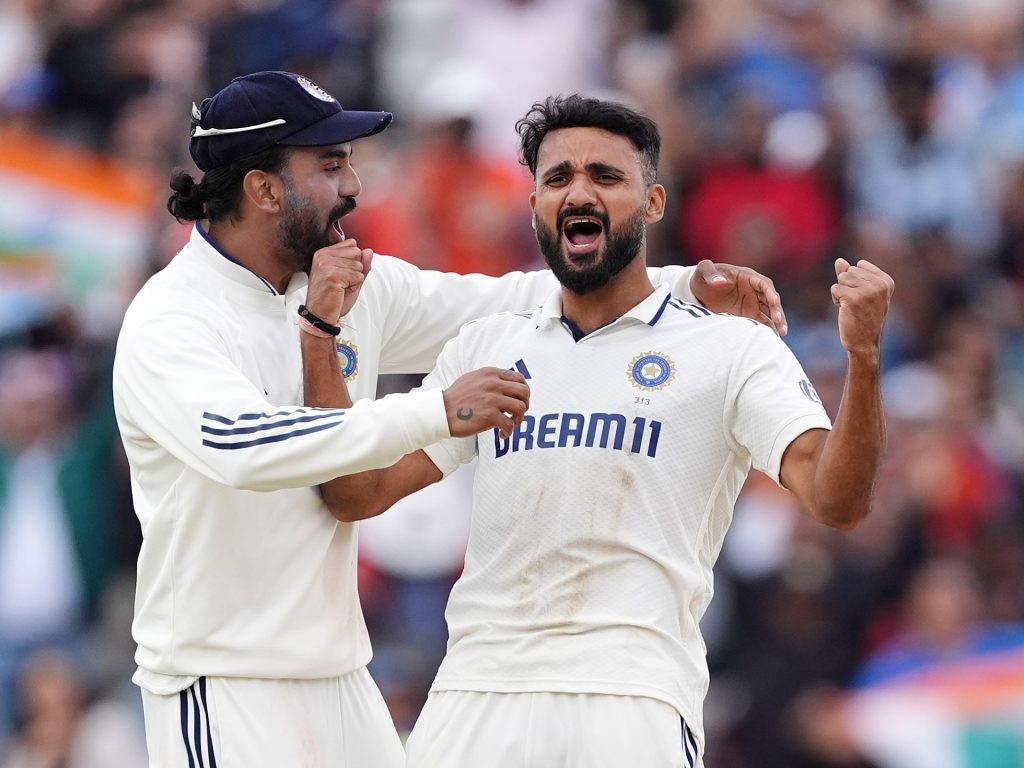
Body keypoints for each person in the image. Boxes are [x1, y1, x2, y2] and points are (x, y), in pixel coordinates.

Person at [111, 71, 791, 767]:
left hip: (341, 677)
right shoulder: (173, 319)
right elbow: (243, 446)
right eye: (331, 165)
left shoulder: (352, 283)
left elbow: (509, 301)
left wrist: (681, 282)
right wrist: (436, 411)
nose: (354, 185)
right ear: (263, 189)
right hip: (223, 681)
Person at [321, 94, 894, 768]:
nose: (578, 193)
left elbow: (837, 500)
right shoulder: (486, 343)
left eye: (606, 176)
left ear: (653, 203)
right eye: (558, 178)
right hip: (477, 691)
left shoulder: (730, 347)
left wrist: (864, 358)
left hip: (631, 693)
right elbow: (356, 493)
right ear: (535, 205)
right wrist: (318, 336)